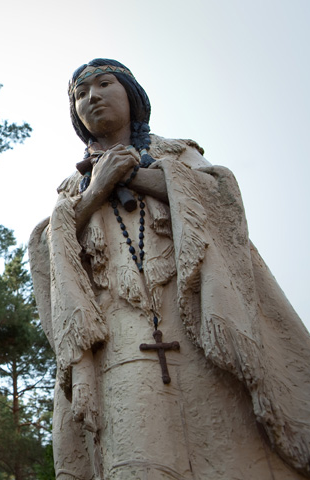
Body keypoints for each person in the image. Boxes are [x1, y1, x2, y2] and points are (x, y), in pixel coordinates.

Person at [29, 58, 310, 479]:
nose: (93, 97)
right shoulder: (73, 188)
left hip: (195, 309)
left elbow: (220, 197)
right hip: (118, 328)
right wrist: (99, 187)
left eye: (104, 84)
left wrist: (138, 175)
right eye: (80, 94)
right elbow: (48, 246)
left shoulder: (178, 154)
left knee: (229, 439)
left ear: (132, 96)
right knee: (136, 450)